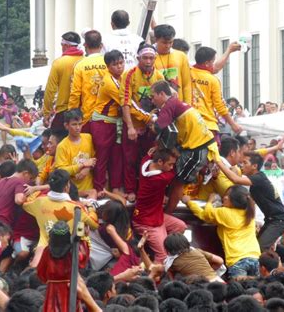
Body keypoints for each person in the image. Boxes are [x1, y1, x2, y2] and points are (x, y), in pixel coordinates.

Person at [149, 80, 216, 213]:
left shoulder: (169, 104)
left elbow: (158, 127)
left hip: (197, 149)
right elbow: (170, 132)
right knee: (175, 178)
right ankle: (165, 207)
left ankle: (167, 214)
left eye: (153, 96)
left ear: (162, 94)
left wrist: (152, 119)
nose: (152, 100)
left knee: (179, 182)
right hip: (193, 146)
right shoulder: (174, 101)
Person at [22, 169, 99, 267]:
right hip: (70, 254)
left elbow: (25, 203)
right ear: (67, 187)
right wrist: (90, 207)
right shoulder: (77, 208)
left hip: (44, 250)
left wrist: (38, 189)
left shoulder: (39, 202)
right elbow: (94, 224)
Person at [215, 153, 284, 251]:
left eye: (245, 163)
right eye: (242, 163)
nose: (242, 165)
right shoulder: (255, 181)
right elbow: (251, 202)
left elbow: (235, 179)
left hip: (279, 220)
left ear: (254, 166)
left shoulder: (259, 178)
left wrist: (218, 162)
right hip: (271, 220)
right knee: (256, 247)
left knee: (260, 249)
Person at [119, 42, 164, 202]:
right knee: (129, 159)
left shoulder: (158, 76)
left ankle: (146, 189)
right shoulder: (129, 74)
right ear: (138, 58)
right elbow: (125, 102)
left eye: (151, 58)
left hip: (151, 125)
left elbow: (164, 101)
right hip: (134, 124)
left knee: (150, 158)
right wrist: (130, 127)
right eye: (145, 58)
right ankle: (130, 189)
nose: (148, 61)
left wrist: (156, 123)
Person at [184, 185, 261, 278]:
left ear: (235, 200)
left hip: (237, 259)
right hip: (255, 257)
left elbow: (205, 215)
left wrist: (207, 201)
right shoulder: (249, 213)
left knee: (238, 291)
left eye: (228, 195)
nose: (224, 197)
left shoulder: (224, 212)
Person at [132, 148, 186, 263]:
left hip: (155, 215)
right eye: (170, 164)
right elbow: (179, 174)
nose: (172, 167)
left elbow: (148, 155)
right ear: (160, 162)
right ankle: (153, 277)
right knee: (163, 257)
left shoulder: (145, 162)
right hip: (147, 223)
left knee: (181, 226)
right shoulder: (159, 178)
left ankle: (165, 247)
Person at [37, 221, 96, 312]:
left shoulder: (47, 251)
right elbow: (82, 259)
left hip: (52, 289)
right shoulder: (74, 251)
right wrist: (84, 234)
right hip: (70, 288)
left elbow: (41, 273)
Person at [190, 46, 242, 142]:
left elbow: (216, 68)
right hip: (207, 125)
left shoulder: (188, 72)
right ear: (206, 63)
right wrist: (233, 124)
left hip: (189, 123)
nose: (214, 64)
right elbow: (220, 106)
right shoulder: (213, 80)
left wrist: (229, 50)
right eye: (212, 62)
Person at [91, 50, 125, 193]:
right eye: (115, 64)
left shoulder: (121, 78)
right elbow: (125, 101)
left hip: (114, 122)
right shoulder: (109, 82)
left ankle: (115, 188)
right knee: (102, 158)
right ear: (108, 66)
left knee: (116, 157)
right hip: (103, 123)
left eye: (121, 63)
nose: (119, 66)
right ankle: (99, 188)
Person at [0, 159, 38, 231]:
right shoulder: (20, 182)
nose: (29, 182)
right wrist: (28, 192)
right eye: (30, 178)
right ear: (26, 173)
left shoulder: (1, 181)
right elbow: (18, 200)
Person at [43, 32, 84, 132]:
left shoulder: (59, 62)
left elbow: (50, 90)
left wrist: (46, 112)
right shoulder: (85, 61)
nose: (61, 47)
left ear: (67, 45)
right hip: (83, 111)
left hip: (63, 111)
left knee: (57, 143)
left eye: (62, 45)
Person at [69, 30, 107, 128]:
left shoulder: (80, 65)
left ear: (85, 45)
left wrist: (71, 116)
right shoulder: (109, 62)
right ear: (101, 45)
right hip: (108, 115)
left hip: (88, 116)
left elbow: (75, 93)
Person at [54, 108, 97, 198]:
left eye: (80, 124)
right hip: (71, 194)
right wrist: (81, 165)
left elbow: (95, 157)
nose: (78, 128)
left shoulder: (88, 138)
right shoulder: (62, 146)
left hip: (90, 191)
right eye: (74, 124)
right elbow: (61, 171)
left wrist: (88, 168)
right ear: (66, 125)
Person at [153, 24, 192, 103]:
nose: (168, 46)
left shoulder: (181, 56)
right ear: (156, 40)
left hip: (178, 106)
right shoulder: (149, 58)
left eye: (170, 42)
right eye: (164, 42)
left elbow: (187, 84)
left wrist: (187, 105)